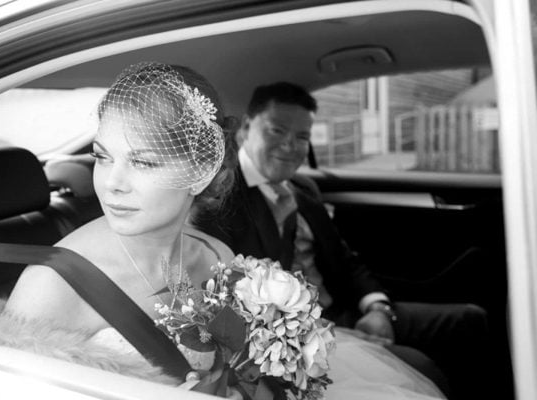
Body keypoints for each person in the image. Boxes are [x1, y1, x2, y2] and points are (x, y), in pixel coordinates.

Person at [0, 64, 445, 399]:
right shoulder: (54, 284)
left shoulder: (214, 253)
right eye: (103, 157)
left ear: (201, 172)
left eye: (141, 161)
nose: (112, 182)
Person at [193, 82, 491, 400]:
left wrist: (377, 307)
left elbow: (345, 260)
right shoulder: (220, 198)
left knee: (470, 319)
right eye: (277, 131)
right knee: (421, 370)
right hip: (290, 335)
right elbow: (225, 292)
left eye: (302, 137)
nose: (290, 146)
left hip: (346, 312)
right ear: (247, 128)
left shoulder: (304, 190)